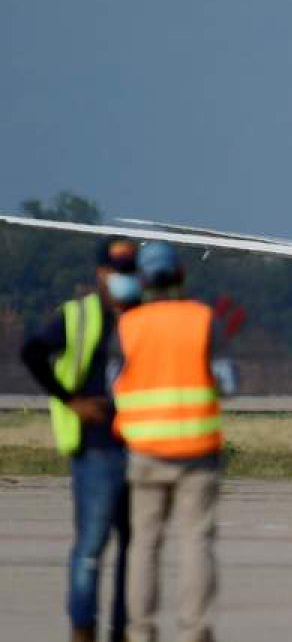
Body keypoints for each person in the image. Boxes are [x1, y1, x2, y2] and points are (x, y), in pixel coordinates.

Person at [20, 237, 142, 642]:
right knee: (91, 545)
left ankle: (123, 628)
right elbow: (32, 352)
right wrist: (70, 401)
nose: (123, 278)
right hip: (96, 447)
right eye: (116, 270)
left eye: (130, 270)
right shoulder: (79, 316)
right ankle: (83, 628)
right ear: (100, 273)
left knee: (133, 549)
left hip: (141, 447)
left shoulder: (146, 316)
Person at [114, 242, 223, 642]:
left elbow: (115, 383)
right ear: (180, 275)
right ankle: (195, 631)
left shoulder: (129, 324)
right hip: (196, 448)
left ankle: (140, 631)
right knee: (195, 542)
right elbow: (226, 380)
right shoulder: (201, 320)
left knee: (144, 543)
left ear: (142, 279)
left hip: (144, 449)